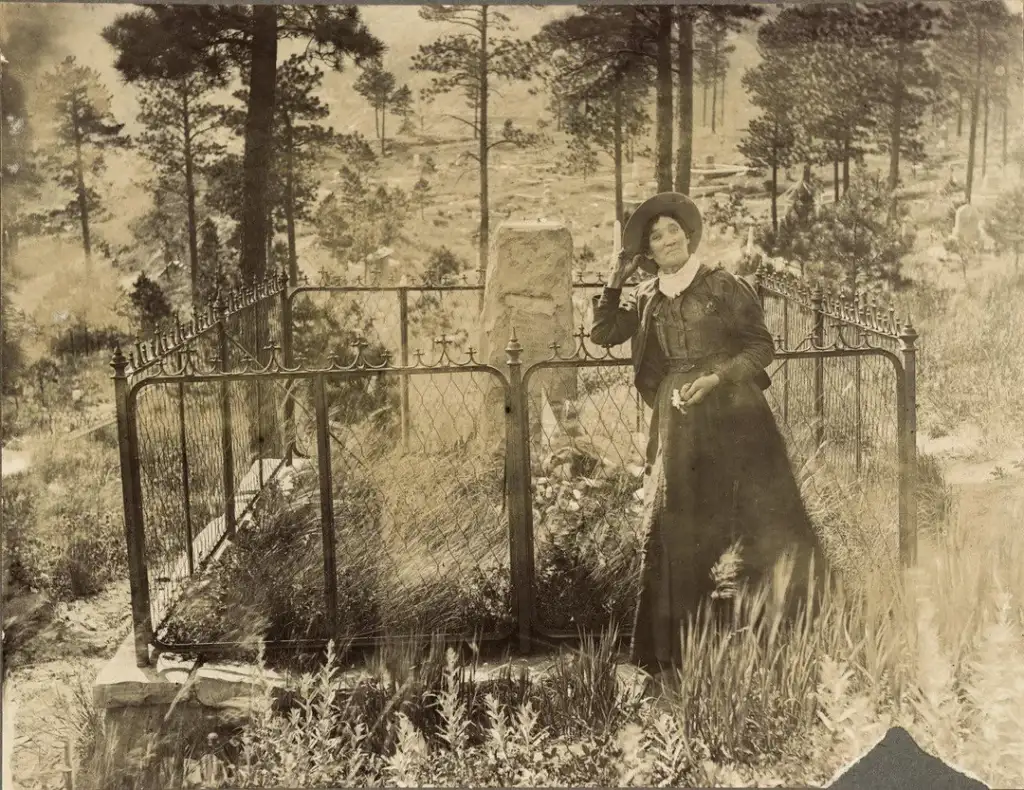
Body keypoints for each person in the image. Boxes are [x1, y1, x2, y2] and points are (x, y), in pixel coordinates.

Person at [589, 192, 826, 682]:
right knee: (679, 524)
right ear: (646, 253)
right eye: (656, 236)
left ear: (689, 235)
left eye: (674, 229)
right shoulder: (650, 297)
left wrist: (717, 377)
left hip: (738, 415)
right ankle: (681, 648)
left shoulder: (723, 285)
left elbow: (762, 347)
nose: (668, 239)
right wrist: (616, 279)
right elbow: (603, 333)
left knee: (760, 517)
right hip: (679, 422)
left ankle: (781, 632)